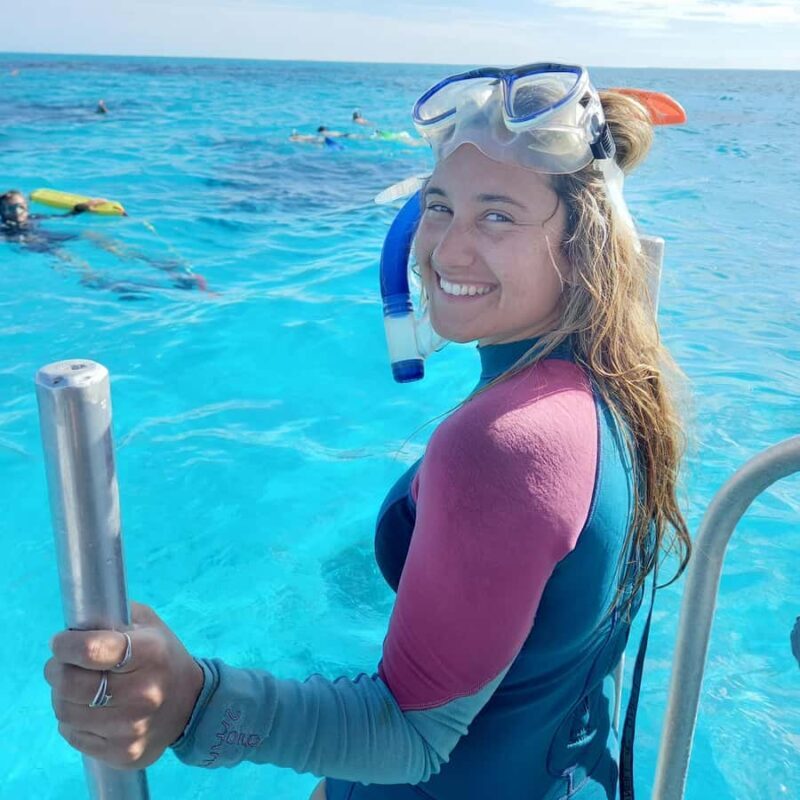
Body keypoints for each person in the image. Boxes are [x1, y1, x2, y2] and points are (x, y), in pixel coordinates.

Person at [44, 62, 691, 799]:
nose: (447, 249)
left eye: (498, 215)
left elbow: (412, 735)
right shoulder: (616, 389)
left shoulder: (508, 441)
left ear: (582, 245)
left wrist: (194, 701)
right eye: (439, 206)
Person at [2, 189, 207, 294]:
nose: (16, 212)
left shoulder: (34, 218)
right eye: (10, 209)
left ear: (27, 207)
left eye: (20, 207)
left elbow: (64, 217)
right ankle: (94, 278)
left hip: (45, 236)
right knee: (64, 255)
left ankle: (152, 261)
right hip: (33, 244)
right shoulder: (4, 230)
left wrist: (83, 207)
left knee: (90, 234)